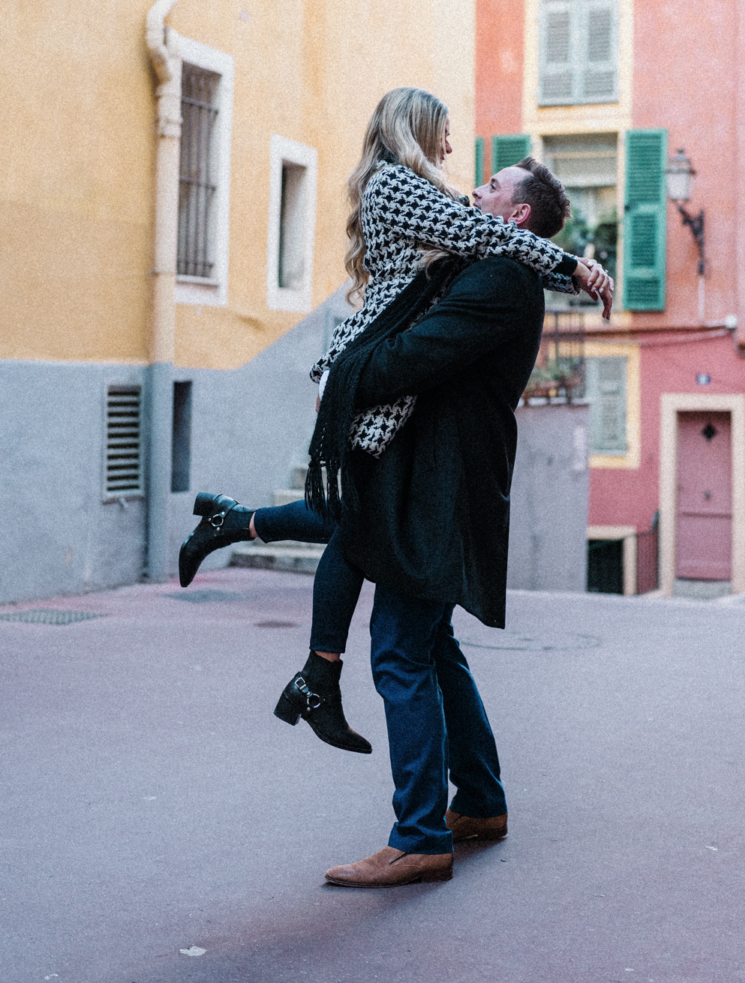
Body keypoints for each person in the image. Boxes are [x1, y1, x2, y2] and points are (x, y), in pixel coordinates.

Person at [178, 90, 610, 752]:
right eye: (443, 134)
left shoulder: (428, 197)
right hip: (366, 363)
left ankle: (246, 547)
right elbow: (488, 237)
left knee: (352, 515)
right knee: (352, 517)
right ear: (416, 131)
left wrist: (564, 271)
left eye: (490, 180)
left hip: (376, 367)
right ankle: (317, 674)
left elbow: (499, 246)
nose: (453, 151)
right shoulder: (393, 185)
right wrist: (572, 266)